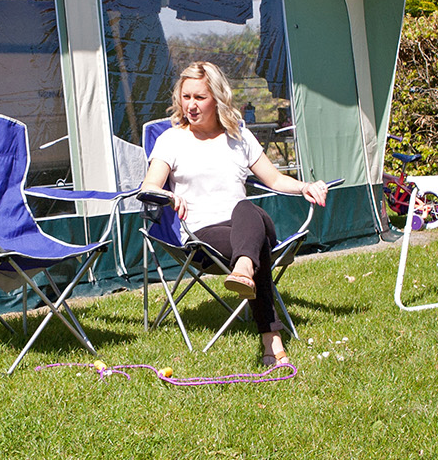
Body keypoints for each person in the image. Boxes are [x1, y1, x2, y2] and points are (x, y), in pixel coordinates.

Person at [140, 62, 329, 369]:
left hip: (249, 224)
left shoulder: (239, 136)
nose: (191, 105)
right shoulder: (171, 141)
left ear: (217, 98)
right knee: (257, 246)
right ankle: (271, 338)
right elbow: (149, 186)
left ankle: (243, 266)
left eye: (199, 97)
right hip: (204, 238)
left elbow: (275, 179)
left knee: (245, 209)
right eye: (186, 97)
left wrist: (305, 186)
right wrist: (169, 195)